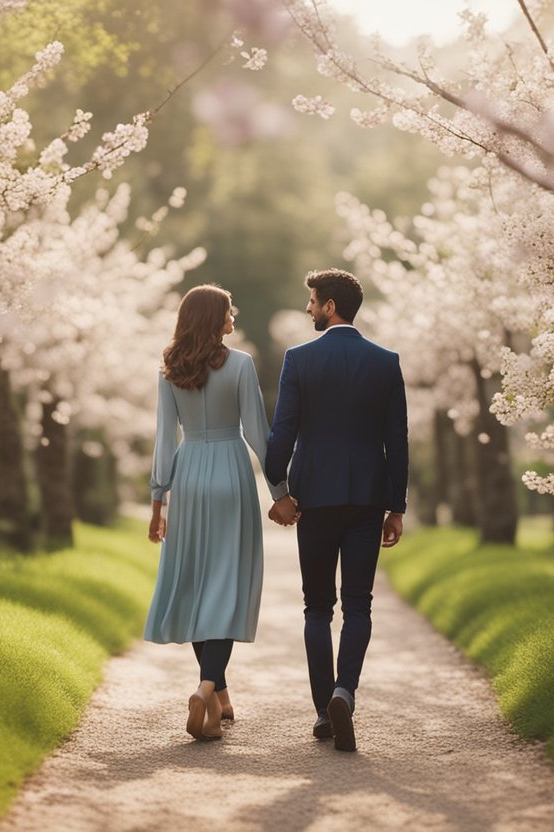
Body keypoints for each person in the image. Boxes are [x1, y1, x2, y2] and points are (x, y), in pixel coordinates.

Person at [265, 268, 408, 752]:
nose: (308, 308)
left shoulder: (299, 359)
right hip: (368, 498)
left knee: (317, 607)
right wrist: (397, 506)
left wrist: (278, 489)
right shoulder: (385, 362)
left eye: (312, 301)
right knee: (359, 604)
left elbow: (282, 431)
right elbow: (397, 441)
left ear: (330, 306)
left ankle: (324, 709)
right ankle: (345, 690)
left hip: (316, 497)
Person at [146, 284, 289, 740]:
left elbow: (164, 440)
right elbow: (258, 435)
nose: (234, 317)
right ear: (213, 318)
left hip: (188, 477)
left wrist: (157, 502)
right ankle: (208, 688)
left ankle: (219, 697)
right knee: (226, 586)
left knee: (193, 582)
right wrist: (280, 491)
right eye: (229, 311)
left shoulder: (170, 369)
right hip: (230, 472)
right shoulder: (242, 364)